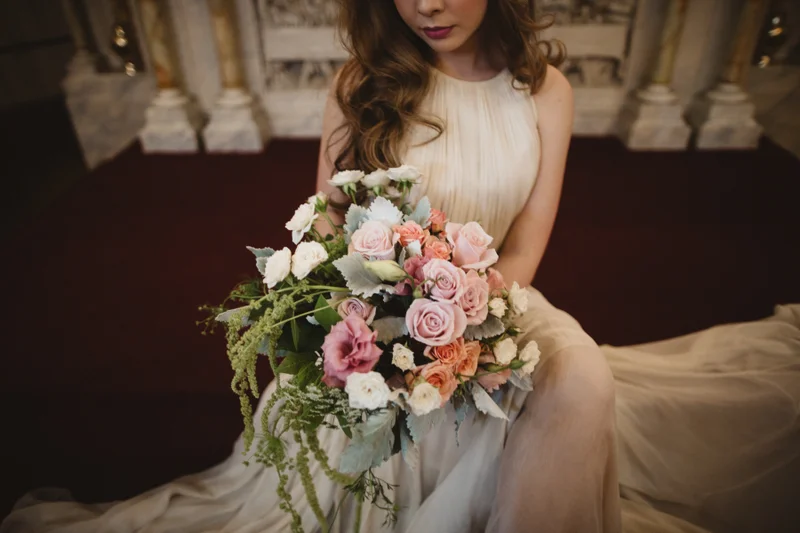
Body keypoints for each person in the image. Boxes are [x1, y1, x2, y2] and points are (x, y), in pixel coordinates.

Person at [3, 1, 799, 532]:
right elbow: (327, 223)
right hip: (379, 316)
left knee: (585, 378)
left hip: (499, 299)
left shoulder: (545, 90)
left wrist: (471, 317)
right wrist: (384, 328)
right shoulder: (361, 83)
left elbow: (528, 238)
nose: (428, 4)